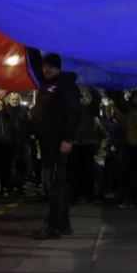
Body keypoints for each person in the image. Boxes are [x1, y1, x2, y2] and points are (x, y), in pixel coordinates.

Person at [27, 48, 80, 239]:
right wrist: (29, 44)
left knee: (55, 184)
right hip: (48, 141)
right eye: (45, 66)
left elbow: (74, 113)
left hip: (57, 142)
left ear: (58, 68)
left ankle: (53, 225)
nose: (46, 69)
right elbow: (34, 65)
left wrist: (68, 139)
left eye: (50, 67)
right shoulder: (47, 84)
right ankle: (64, 224)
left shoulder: (65, 85)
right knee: (58, 183)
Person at [5, 93, 31, 193]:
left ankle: (19, 184)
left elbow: (27, 125)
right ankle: (10, 185)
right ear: (9, 100)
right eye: (12, 99)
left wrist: (25, 137)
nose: (14, 101)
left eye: (16, 99)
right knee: (10, 164)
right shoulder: (5, 111)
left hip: (21, 141)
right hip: (9, 141)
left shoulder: (23, 111)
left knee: (21, 164)